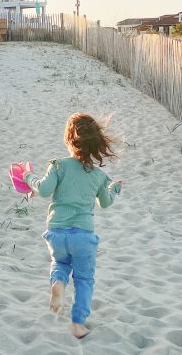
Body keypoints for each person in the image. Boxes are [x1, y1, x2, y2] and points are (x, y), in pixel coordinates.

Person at [22, 113, 123, 339]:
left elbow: (45, 190)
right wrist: (114, 189)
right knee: (84, 279)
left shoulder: (59, 166)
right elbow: (105, 203)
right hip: (83, 237)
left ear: (69, 139)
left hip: (57, 232)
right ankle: (78, 323)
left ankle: (58, 284)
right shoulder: (98, 175)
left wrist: (28, 177)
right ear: (96, 142)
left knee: (60, 262)